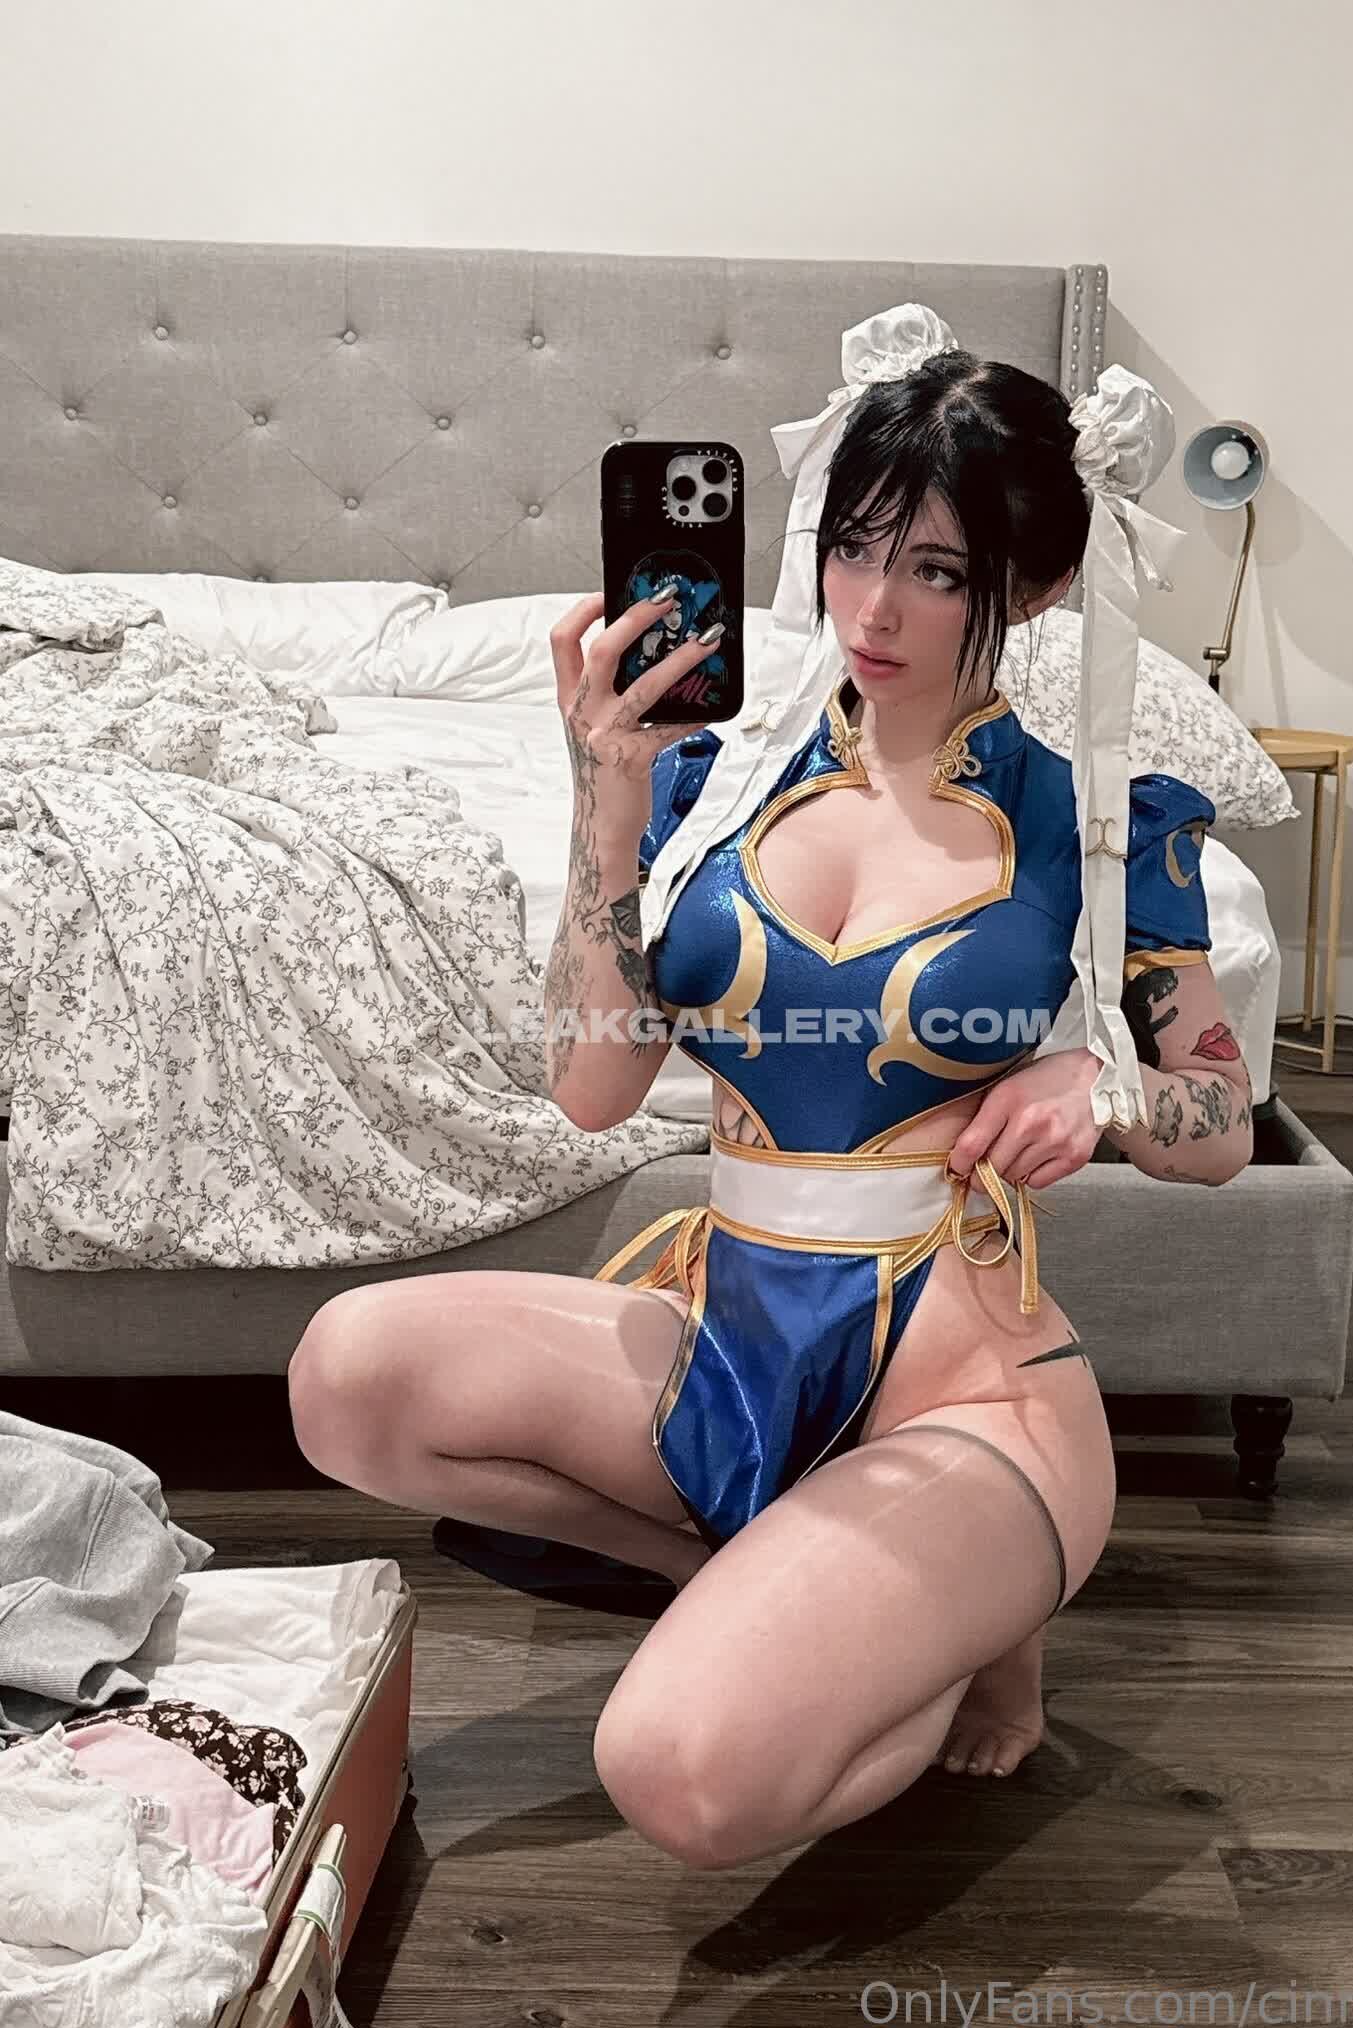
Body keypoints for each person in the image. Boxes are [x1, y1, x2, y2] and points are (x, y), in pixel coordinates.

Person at [287, 333, 1253, 1872]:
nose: (873, 609)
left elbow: (1223, 1126)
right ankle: (750, 1573)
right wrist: (606, 802)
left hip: (965, 1391)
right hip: (729, 1350)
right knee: (347, 1375)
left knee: (681, 1775)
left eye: (938, 570)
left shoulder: (1101, 823)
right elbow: (594, 1088)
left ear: (1040, 585)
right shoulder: (716, 785)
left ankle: (965, 1619)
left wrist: (1112, 1086)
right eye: (855, 546)